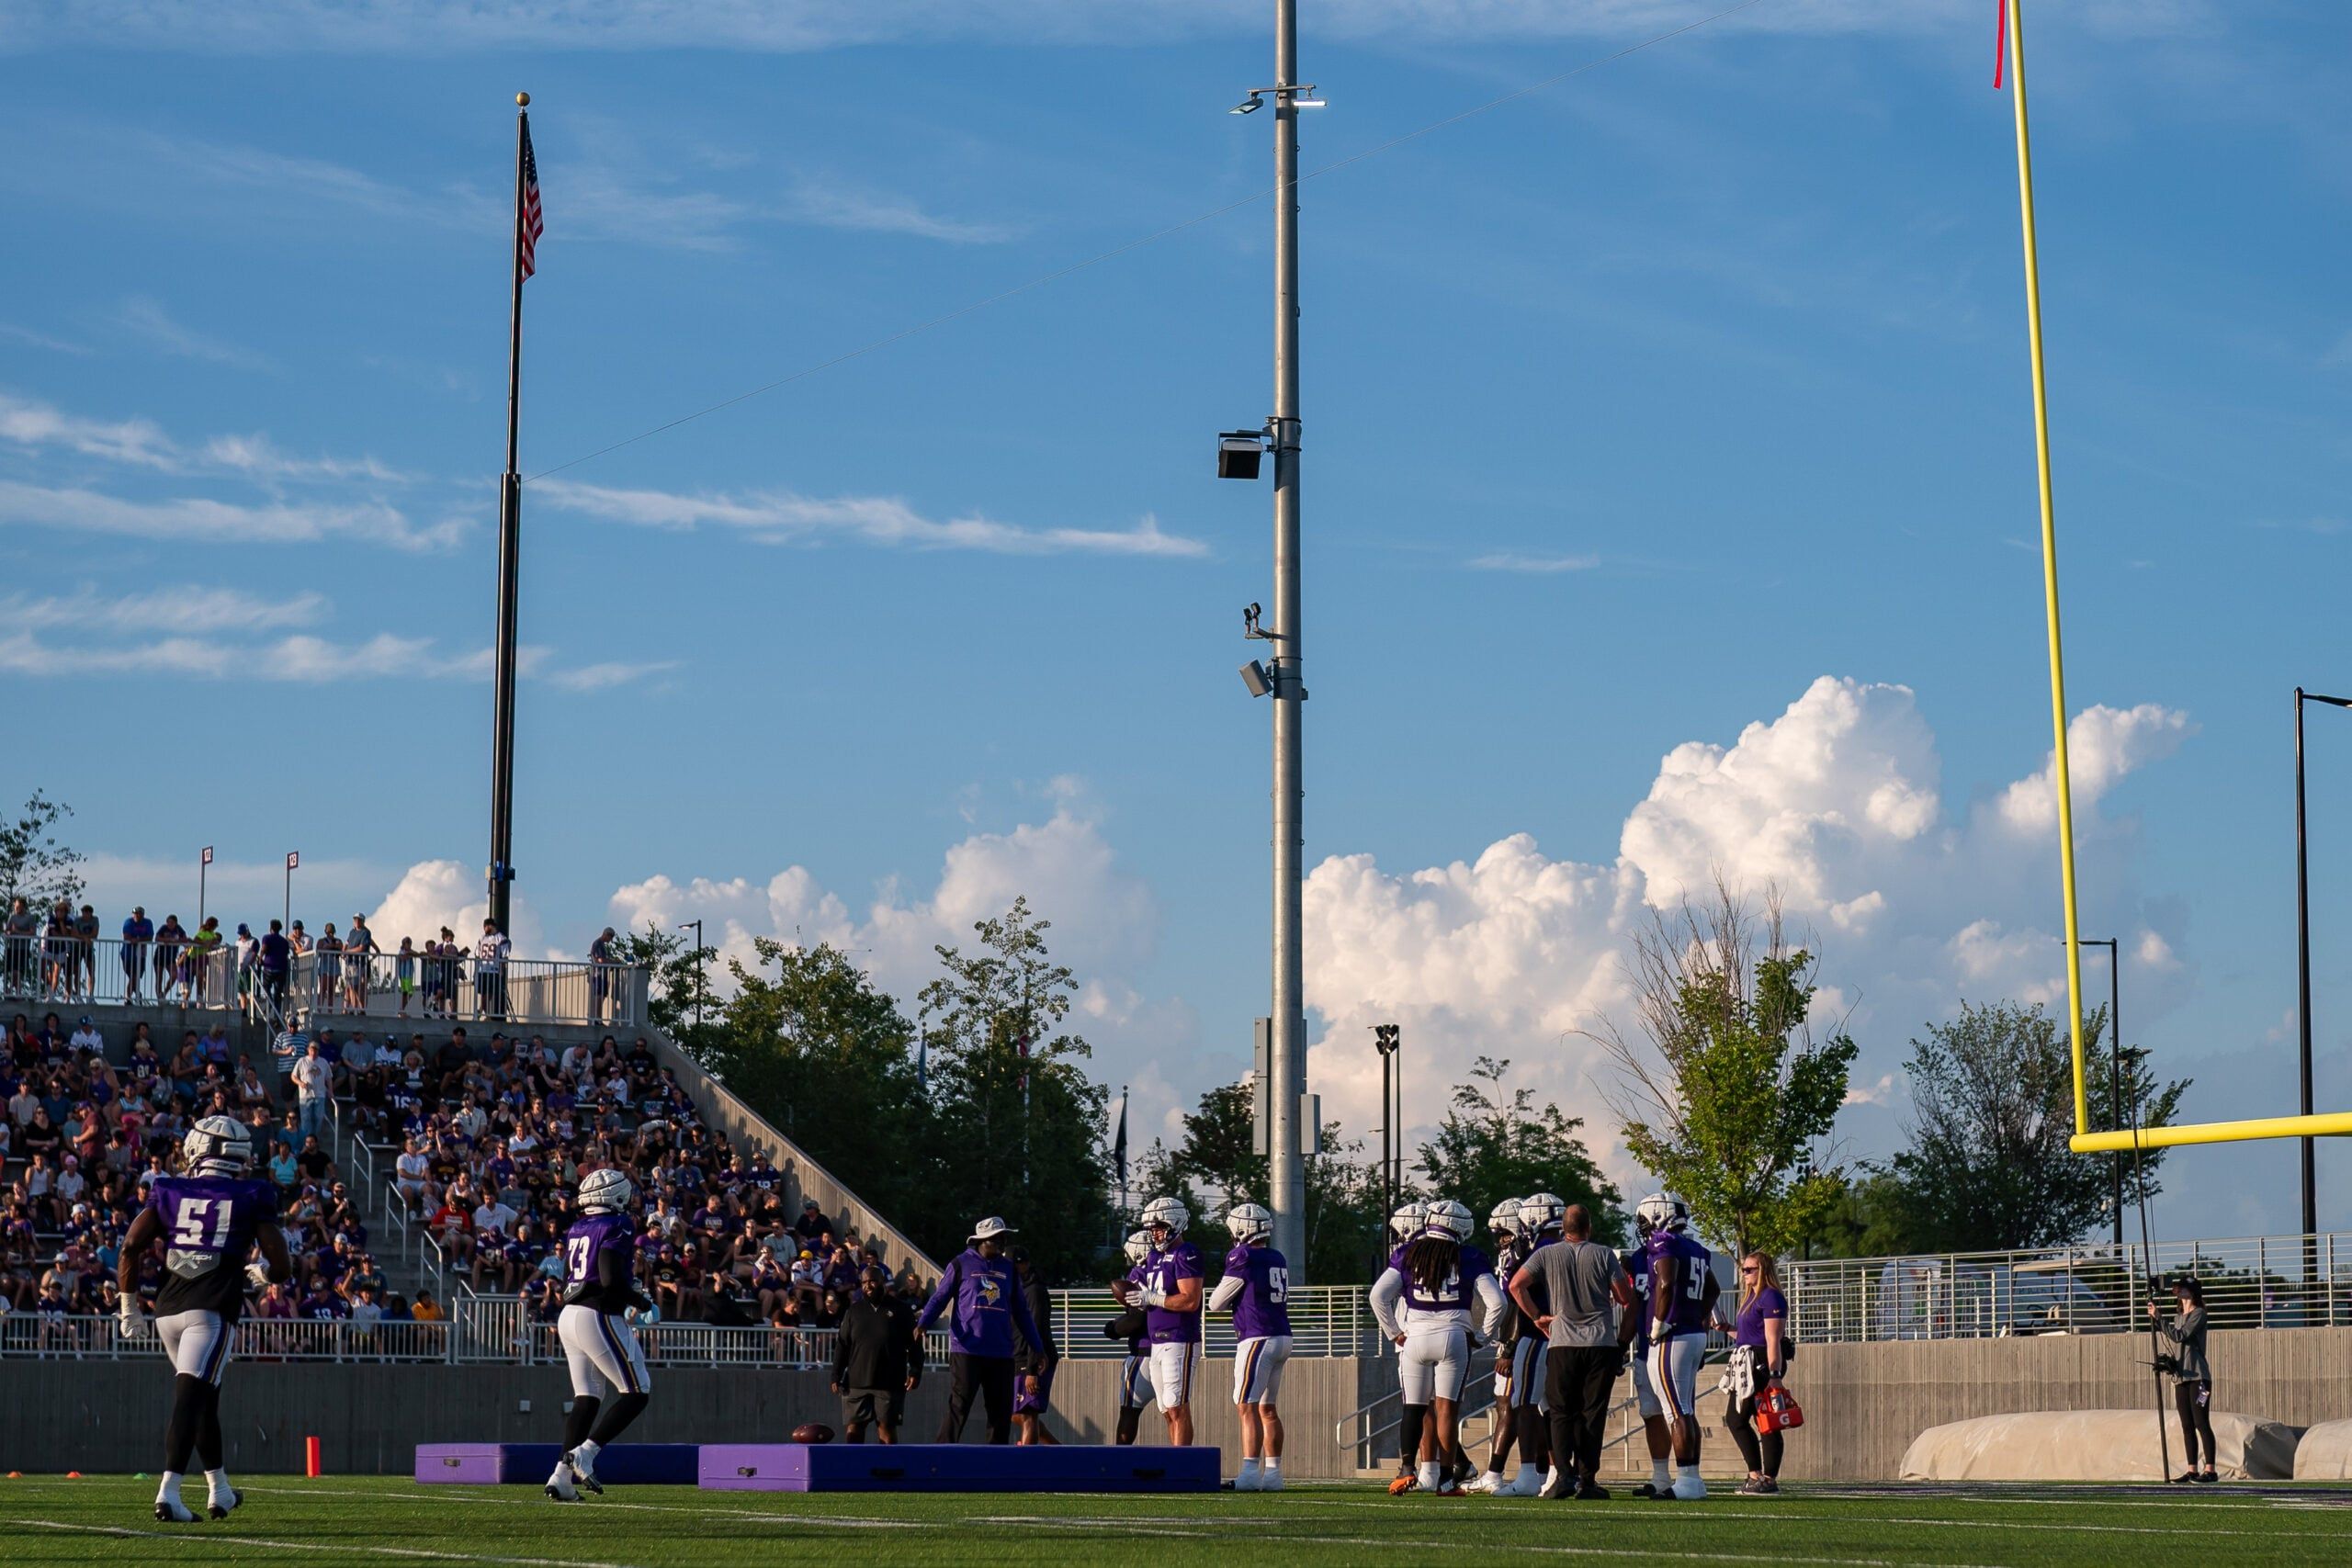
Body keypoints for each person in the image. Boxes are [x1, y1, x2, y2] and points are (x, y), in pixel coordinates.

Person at [115, 1115, 295, 1523]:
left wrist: (129, 1307)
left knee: (203, 1402)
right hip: (209, 1310)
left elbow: (129, 1247)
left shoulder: (169, 1188)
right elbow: (282, 1265)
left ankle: (221, 1491)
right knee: (190, 1401)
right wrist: (263, 1274)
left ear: (198, 1148)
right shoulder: (252, 1192)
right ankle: (169, 1493)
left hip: (167, 1309)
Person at [1370, 1198, 1504, 1496]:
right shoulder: (1469, 1256)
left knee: (1413, 1407)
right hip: (1453, 1335)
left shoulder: (1407, 1253)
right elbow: (1498, 1302)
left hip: (1415, 1335)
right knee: (1446, 1409)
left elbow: (1378, 1296)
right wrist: (1482, 1336)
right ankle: (1445, 1480)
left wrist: (1394, 1333)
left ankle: (1407, 1469)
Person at [1511, 1201, 1641, 1501]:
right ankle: (1587, 1479)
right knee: (1592, 1413)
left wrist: (1537, 1316)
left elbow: (1517, 1286)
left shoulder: (1546, 1253)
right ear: (1589, 1227)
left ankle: (1564, 1475)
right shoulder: (1604, 1254)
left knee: (1560, 1413)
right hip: (1599, 1342)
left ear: (1563, 1229)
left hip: (1562, 1341)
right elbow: (1624, 1297)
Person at [546, 1167, 655, 1502]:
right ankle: (587, 1453)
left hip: (569, 1315)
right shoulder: (618, 1224)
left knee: (587, 1399)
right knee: (637, 1391)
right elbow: (608, 1278)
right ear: (617, 1196)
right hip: (596, 1315)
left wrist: (626, 1285)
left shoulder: (578, 1226)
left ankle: (561, 1477)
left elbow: (580, 1274)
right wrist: (640, 1300)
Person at [918, 1216, 1048, 1445]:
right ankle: (941, 1453)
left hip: (1000, 1352)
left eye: (1004, 1237)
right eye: (998, 1238)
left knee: (1000, 1412)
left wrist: (1038, 1347)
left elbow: (1022, 1312)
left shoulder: (1008, 1269)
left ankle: (996, 1460)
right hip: (967, 1349)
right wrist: (923, 1323)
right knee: (960, 1404)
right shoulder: (960, 1264)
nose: (1003, 1242)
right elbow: (940, 1298)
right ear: (983, 1240)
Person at [1208, 1201, 1292, 1491]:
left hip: (1257, 1336)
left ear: (1241, 1228)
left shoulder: (1241, 1255)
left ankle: (1248, 1474)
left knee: (1246, 1406)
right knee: (1268, 1409)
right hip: (1282, 1335)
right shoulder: (1277, 1255)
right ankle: (1273, 1475)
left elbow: (1215, 1303)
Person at [1638, 1191, 1716, 1501]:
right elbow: (1712, 1288)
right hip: (1691, 1332)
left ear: (1659, 1216)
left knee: (1676, 1410)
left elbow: (1667, 1283)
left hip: (1673, 1335)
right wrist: (1697, 1316)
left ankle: (1687, 1481)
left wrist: (1659, 1322)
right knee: (1684, 1409)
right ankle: (1691, 1477)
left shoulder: (1663, 1242)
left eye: (1645, 1220)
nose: (1644, 1227)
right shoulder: (1695, 1247)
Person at [1114, 1195, 1205, 1448]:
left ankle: (1182, 1465)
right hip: (1156, 1342)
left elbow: (1190, 1301)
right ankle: (1176, 1461)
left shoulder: (1187, 1253)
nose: (1154, 1234)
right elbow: (1151, 1298)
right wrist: (1142, 1301)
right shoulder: (1154, 1258)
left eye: (1159, 1227)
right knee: (1167, 1408)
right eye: (1152, 1229)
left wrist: (1152, 1297)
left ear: (1174, 1223)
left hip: (1179, 1338)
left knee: (1177, 1406)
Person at [831, 1265, 923, 1443]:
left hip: (889, 1381)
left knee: (886, 1429)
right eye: (864, 1282)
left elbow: (915, 1344)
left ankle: (887, 1469)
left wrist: (915, 1370)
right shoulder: (854, 1311)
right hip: (856, 1382)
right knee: (854, 1430)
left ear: (882, 1282)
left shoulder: (901, 1310)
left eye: (872, 1281)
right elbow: (842, 1345)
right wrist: (836, 1374)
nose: (868, 1285)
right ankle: (855, 1469)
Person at [1724, 1250, 1791, 1495]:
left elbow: (1773, 1339)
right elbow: (1747, 1337)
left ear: (1762, 1271)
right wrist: (1727, 1328)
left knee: (1767, 1421)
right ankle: (1756, 1474)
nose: (1744, 1274)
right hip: (1747, 1359)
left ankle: (1767, 1478)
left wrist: (1775, 1374)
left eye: (1749, 1269)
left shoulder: (1770, 1297)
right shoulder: (1750, 1298)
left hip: (1762, 1362)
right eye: (1743, 1269)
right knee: (1738, 1418)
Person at [2151, 1276, 2217, 1483]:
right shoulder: (2178, 1316)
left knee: (2201, 1422)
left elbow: (2180, 1336)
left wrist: (2159, 1318)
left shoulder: (2199, 1314)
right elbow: (2176, 1342)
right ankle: (2192, 1469)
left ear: (2193, 1293)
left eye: (2184, 1288)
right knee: (2187, 1425)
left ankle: (2211, 1470)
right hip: (2182, 1378)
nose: (2179, 1291)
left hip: (2200, 1379)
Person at [1109, 1229, 1156, 1446]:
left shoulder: (1138, 1274)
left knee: (1129, 1412)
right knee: (1174, 1413)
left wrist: (1113, 1329)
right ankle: (1182, 1460)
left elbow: (1137, 1318)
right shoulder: (1165, 1269)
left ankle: (1121, 1460)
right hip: (1171, 1349)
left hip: (1143, 1352)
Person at [1011, 1247, 1060, 1445]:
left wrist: (1032, 1369)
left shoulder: (1034, 1291)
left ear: (1024, 1264)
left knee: (1028, 1413)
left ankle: (1027, 1463)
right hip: (1017, 1356)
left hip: (1034, 1360)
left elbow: (1037, 1328)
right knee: (1015, 1414)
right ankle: (1059, 1452)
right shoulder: (1015, 1290)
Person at [291, 1042, 332, 1142]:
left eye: (315, 1050)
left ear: (318, 1051)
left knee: (319, 1117)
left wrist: (330, 1091)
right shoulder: (302, 1061)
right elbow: (293, 1076)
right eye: (311, 1049)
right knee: (306, 1119)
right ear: (308, 1050)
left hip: (320, 1094)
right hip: (305, 1095)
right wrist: (300, 1083)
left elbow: (329, 1078)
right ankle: (306, 1140)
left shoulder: (324, 1062)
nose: (313, 1052)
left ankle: (315, 1138)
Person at [474, 919, 510, 1021]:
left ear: (491, 926)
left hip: (494, 970)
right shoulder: (482, 938)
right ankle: (483, 1012)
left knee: (489, 993)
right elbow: (477, 953)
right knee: (485, 993)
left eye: (486, 926)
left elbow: (504, 956)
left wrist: (502, 969)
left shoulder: (501, 938)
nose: (485, 929)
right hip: (483, 969)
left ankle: (482, 1011)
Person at [121, 907, 154, 1004]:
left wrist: (138, 940)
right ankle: (133, 995)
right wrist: (138, 939)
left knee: (136, 976)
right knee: (133, 976)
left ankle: (129, 997)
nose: (136, 916)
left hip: (141, 954)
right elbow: (127, 937)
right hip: (127, 954)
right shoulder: (128, 922)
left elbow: (150, 937)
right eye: (135, 914)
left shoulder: (147, 922)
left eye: (139, 914)